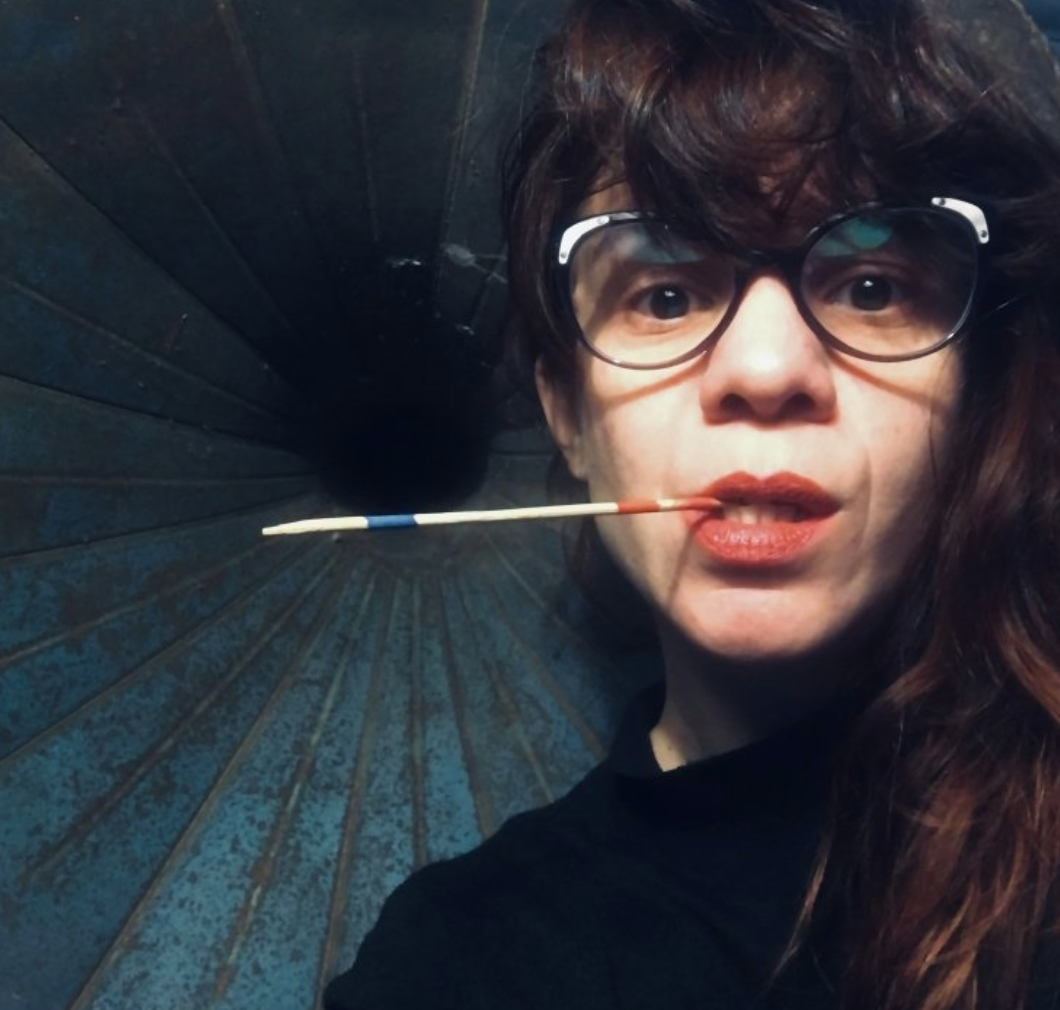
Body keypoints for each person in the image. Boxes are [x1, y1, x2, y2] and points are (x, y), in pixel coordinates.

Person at [324, 0, 1060, 1007]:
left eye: (871, 286)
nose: (763, 369)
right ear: (567, 412)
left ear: (976, 390)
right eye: (664, 295)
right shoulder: (453, 965)